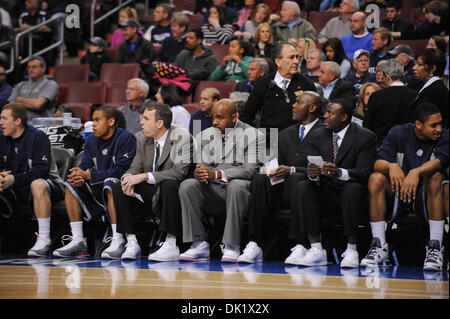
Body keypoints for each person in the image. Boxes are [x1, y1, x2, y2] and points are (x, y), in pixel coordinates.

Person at [285, 99, 377, 267]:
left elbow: (364, 173)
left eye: (330, 113)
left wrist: (339, 172)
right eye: (325, 112)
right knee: (303, 185)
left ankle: (351, 249)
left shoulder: (365, 137)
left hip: (351, 190)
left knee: (352, 189)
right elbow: (312, 165)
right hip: (326, 189)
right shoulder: (317, 134)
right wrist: (313, 174)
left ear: (343, 117)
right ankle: (316, 248)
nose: (324, 116)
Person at [360, 103, 448, 271]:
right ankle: (379, 245)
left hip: (426, 194)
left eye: (440, 124)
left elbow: (439, 162)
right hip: (398, 191)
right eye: (433, 125)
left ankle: (435, 247)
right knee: (376, 178)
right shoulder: (398, 132)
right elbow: (377, 163)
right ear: (419, 124)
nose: (439, 128)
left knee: (436, 177)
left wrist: (415, 172)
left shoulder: (445, 137)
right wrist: (391, 167)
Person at [241, 91, 324, 263]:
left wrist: (292, 170)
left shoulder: (325, 132)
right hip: (283, 188)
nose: (293, 105)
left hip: (313, 189)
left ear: (312, 107)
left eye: (298, 102)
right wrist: (270, 168)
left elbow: (323, 167)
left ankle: (300, 244)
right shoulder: (285, 133)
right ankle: (254, 243)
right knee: (260, 177)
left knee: (296, 179)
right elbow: (275, 161)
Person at [178, 99, 265, 262]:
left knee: (236, 185)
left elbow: (249, 170)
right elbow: (202, 165)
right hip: (215, 189)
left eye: (220, 118)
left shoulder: (254, 135)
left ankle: (232, 245)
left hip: (242, 189)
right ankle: (199, 243)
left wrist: (217, 174)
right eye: (213, 118)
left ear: (234, 116)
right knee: (188, 185)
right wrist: (201, 173)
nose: (215, 122)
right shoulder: (205, 135)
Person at [105, 101, 192, 261]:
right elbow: (134, 168)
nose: (141, 122)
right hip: (152, 191)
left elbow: (179, 173)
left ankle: (171, 244)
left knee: (169, 184)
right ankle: (131, 242)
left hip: (175, 193)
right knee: (119, 186)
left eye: (145, 118)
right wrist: (127, 179)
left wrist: (144, 176)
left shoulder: (182, 137)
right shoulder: (141, 138)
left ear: (159, 123)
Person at [52, 106, 137, 257]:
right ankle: (78, 239)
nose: (93, 124)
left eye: (98, 120)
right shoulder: (91, 140)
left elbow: (121, 171)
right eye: (92, 120)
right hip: (98, 187)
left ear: (111, 122)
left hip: (122, 190)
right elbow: (84, 165)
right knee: (69, 184)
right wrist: (78, 175)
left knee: (112, 182)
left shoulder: (126, 138)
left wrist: (89, 176)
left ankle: (118, 239)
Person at [240, 42, 317, 132]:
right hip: (271, 138)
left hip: (296, 138)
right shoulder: (263, 83)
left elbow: (317, 115)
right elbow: (247, 114)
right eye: (291, 57)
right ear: (278, 62)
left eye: (297, 57)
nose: (296, 61)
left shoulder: (307, 84)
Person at [0, 102, 51, 227]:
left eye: (4, 118)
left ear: (17, 121)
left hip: (46, 184)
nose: (0, 122)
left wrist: (14, 179)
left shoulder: (38, 137)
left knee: (37, 184)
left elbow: (42, 171)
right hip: (13, 187)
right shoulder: (2, 138)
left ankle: (44, 238)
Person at [363, 59, 417, 147]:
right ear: (403, 76)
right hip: (407, 146)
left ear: (387, 76)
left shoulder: (376, 96)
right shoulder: (415, 95)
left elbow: (367, 125)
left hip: (381, 146)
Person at [7, 56, 58, 121]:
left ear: (43, 69)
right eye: (29, 67)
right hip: (21, 123)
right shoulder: (20, 85)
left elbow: (38, 104)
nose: (30, 69)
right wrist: (31, 103)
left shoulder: (50, 84)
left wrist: (19, 99)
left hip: (42, 123)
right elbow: (11, 106)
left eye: (34, 67)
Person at [411, 48, 449, 129]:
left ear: (433, 68)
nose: (414, 68)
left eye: (419, 64)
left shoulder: (436, 90)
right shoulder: (431, 87)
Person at [18, 0, 53, 68]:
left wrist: (29, 27)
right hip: (27, 41)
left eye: (29, 1)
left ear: (36, 4)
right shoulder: (23, 15)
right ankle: (23, 67)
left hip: (43, 40)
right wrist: (39, 27)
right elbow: (21, 28)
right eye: (26, 1)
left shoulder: (44, 13)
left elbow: (48, 29)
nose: (26, 3)